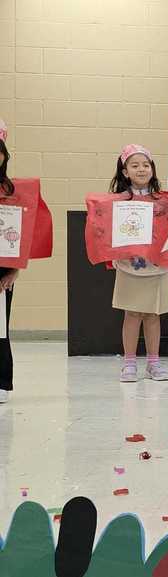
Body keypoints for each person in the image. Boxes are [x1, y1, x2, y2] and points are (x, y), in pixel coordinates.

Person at [109, 145, 168, 383]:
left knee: (153, 315)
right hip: (129, 267)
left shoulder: (165, 202)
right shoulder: (117, 202)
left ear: (152, 169)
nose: (141, 169)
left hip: (157, 267)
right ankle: (129, 363)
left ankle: (153, 363)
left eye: (146, 165)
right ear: (125, 172)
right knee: (132, 314)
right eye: (135, 165)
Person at [0, 120, 16, 402]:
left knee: (0, 328)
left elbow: (21, 234)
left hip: (2, 271)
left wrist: (14, 271)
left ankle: (1, 381)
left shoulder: (11, 189)